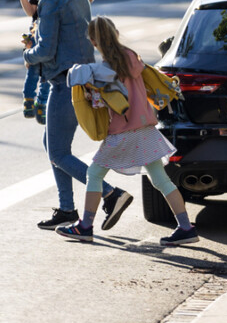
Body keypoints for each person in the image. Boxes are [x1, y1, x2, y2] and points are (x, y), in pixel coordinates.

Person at [56, 16, 199, 246]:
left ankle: (85, 226)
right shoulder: (132, 57)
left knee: (94, 174)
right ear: (116, 34)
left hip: (123, 131)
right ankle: (185, 227)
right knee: (161, 180)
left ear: (93, 41)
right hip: (146, 128)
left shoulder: (101, 70)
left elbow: (76, 80)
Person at [20, 0, 133, 230]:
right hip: (80, 77)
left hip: (64, 82)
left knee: (58, 152)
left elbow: (46, 49)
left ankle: (111, 194)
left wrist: (28, 54)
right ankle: (67, 209)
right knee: (53, 146)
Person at [15, 0, 96, 125]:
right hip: (38, 39)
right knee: (35, 72)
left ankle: (41, 103)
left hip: (56, 58)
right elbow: (31, 11)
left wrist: (27, 55)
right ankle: (30, 101)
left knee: (44, 73)